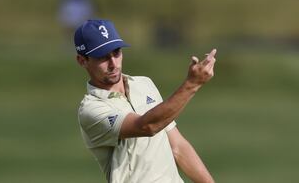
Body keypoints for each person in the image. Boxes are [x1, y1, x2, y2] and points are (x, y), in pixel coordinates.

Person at [74, 19, 216, 183]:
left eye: (116, 52)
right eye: (102, 57)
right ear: (82, 61)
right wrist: (192, 84)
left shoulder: (144, 84)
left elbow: (177, 146)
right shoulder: (91, 110)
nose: (113, 63)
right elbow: (147, 126)